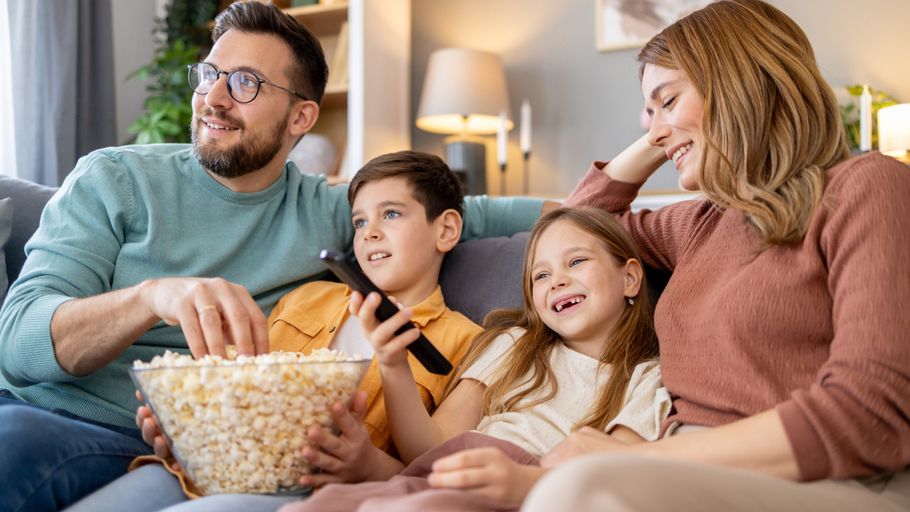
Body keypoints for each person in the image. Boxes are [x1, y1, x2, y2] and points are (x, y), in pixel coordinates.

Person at [0, 3, 546, 511]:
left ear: (301, 117)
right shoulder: (114, 179)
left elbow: (474, 212)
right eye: (210, 74)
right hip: (36, 405)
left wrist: (628, 197)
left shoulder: (336, 213)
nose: (213, 98)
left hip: (136, 435)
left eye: (245, 84)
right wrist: (153, 296)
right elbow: (20, 341)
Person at [521, 1, 910, 511]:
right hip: (686, 470)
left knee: (577, 492)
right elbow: (578, 230)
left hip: (829, 479)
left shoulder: (868, 187)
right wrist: (670, 128)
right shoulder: (702, 222)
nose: (653, 132)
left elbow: (870, 414)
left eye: (668, 100)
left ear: (737, 83)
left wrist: (636, 462)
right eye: (649, 113)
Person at [65, 150, 485, 511]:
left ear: (446, 229)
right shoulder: (307, 298)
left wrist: (368, 466)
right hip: (201, 469)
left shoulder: (466, 342)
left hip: (309, 491)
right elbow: (243, 382)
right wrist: (185, 423)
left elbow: (432, 469)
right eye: (358, 222)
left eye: (391, 214)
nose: (370, 231)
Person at [279, 207, 670, 512]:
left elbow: (611, 471)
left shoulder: (649, 377)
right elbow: (429, 450)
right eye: (540, 275)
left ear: (630, 279)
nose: (557, 281)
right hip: (448, 473)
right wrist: (393, 361)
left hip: (532, 488)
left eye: (577, 262)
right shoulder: (515, 345)